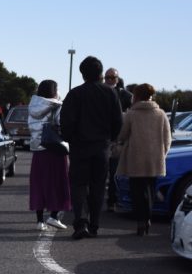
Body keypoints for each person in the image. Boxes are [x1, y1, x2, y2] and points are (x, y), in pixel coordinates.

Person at [60, 56, 124, 240]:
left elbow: (66, 121)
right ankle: (94, 224)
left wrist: (69, 137)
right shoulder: (110, 93)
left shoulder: (75, 94)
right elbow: (118, 121)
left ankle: (81, 222)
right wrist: (110, 138)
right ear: (101, 74)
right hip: (101, 146)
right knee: (97, 186)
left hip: (80, 146)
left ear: (82, 74)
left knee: (79, 185)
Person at [115, 83, 171, 235]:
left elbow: (123, 134)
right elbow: (167, 139)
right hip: (154, 160)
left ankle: (141, 221)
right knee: (150, 190)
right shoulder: (161, 114)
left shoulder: (132, 114)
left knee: (137, 192)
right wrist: (162, 154)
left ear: (137, 96)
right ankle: (147, 218)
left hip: (135, 158)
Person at [27, 80, 71, 230]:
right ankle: (53, 216)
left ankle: (39, 221)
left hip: (38, 149)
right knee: (58, 182)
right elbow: (61, 124)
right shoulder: (56, 105)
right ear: (54, 90)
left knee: (39, 184)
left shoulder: (33, 105)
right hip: (54, 149)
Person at [103, 67, 134, 210]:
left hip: (117, 140)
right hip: (101, 138)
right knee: (100, 172)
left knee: (115, 172)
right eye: (107, 77)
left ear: (117, 79)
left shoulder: (126, 95)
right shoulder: (99, 92)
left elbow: (131, 116)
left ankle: (112, 200)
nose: (109, 80)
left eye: (112, 78)